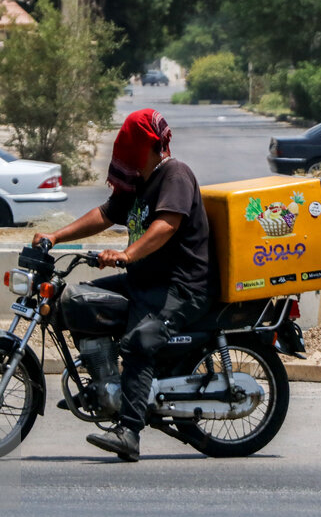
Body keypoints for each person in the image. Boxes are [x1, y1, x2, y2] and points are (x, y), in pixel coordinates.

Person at [32, 109, 213, 462]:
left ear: (147, 143)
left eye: (129, 143)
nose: (122, 150)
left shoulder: (174, 174)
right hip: (145, 280)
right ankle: (103, 385)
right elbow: (105, 213)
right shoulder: (139, 182)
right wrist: (55, 237)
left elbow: (167, 225)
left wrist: (127, 254)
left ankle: (129, 432)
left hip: (181, 286)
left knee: (138, 343)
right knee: (81, 302)